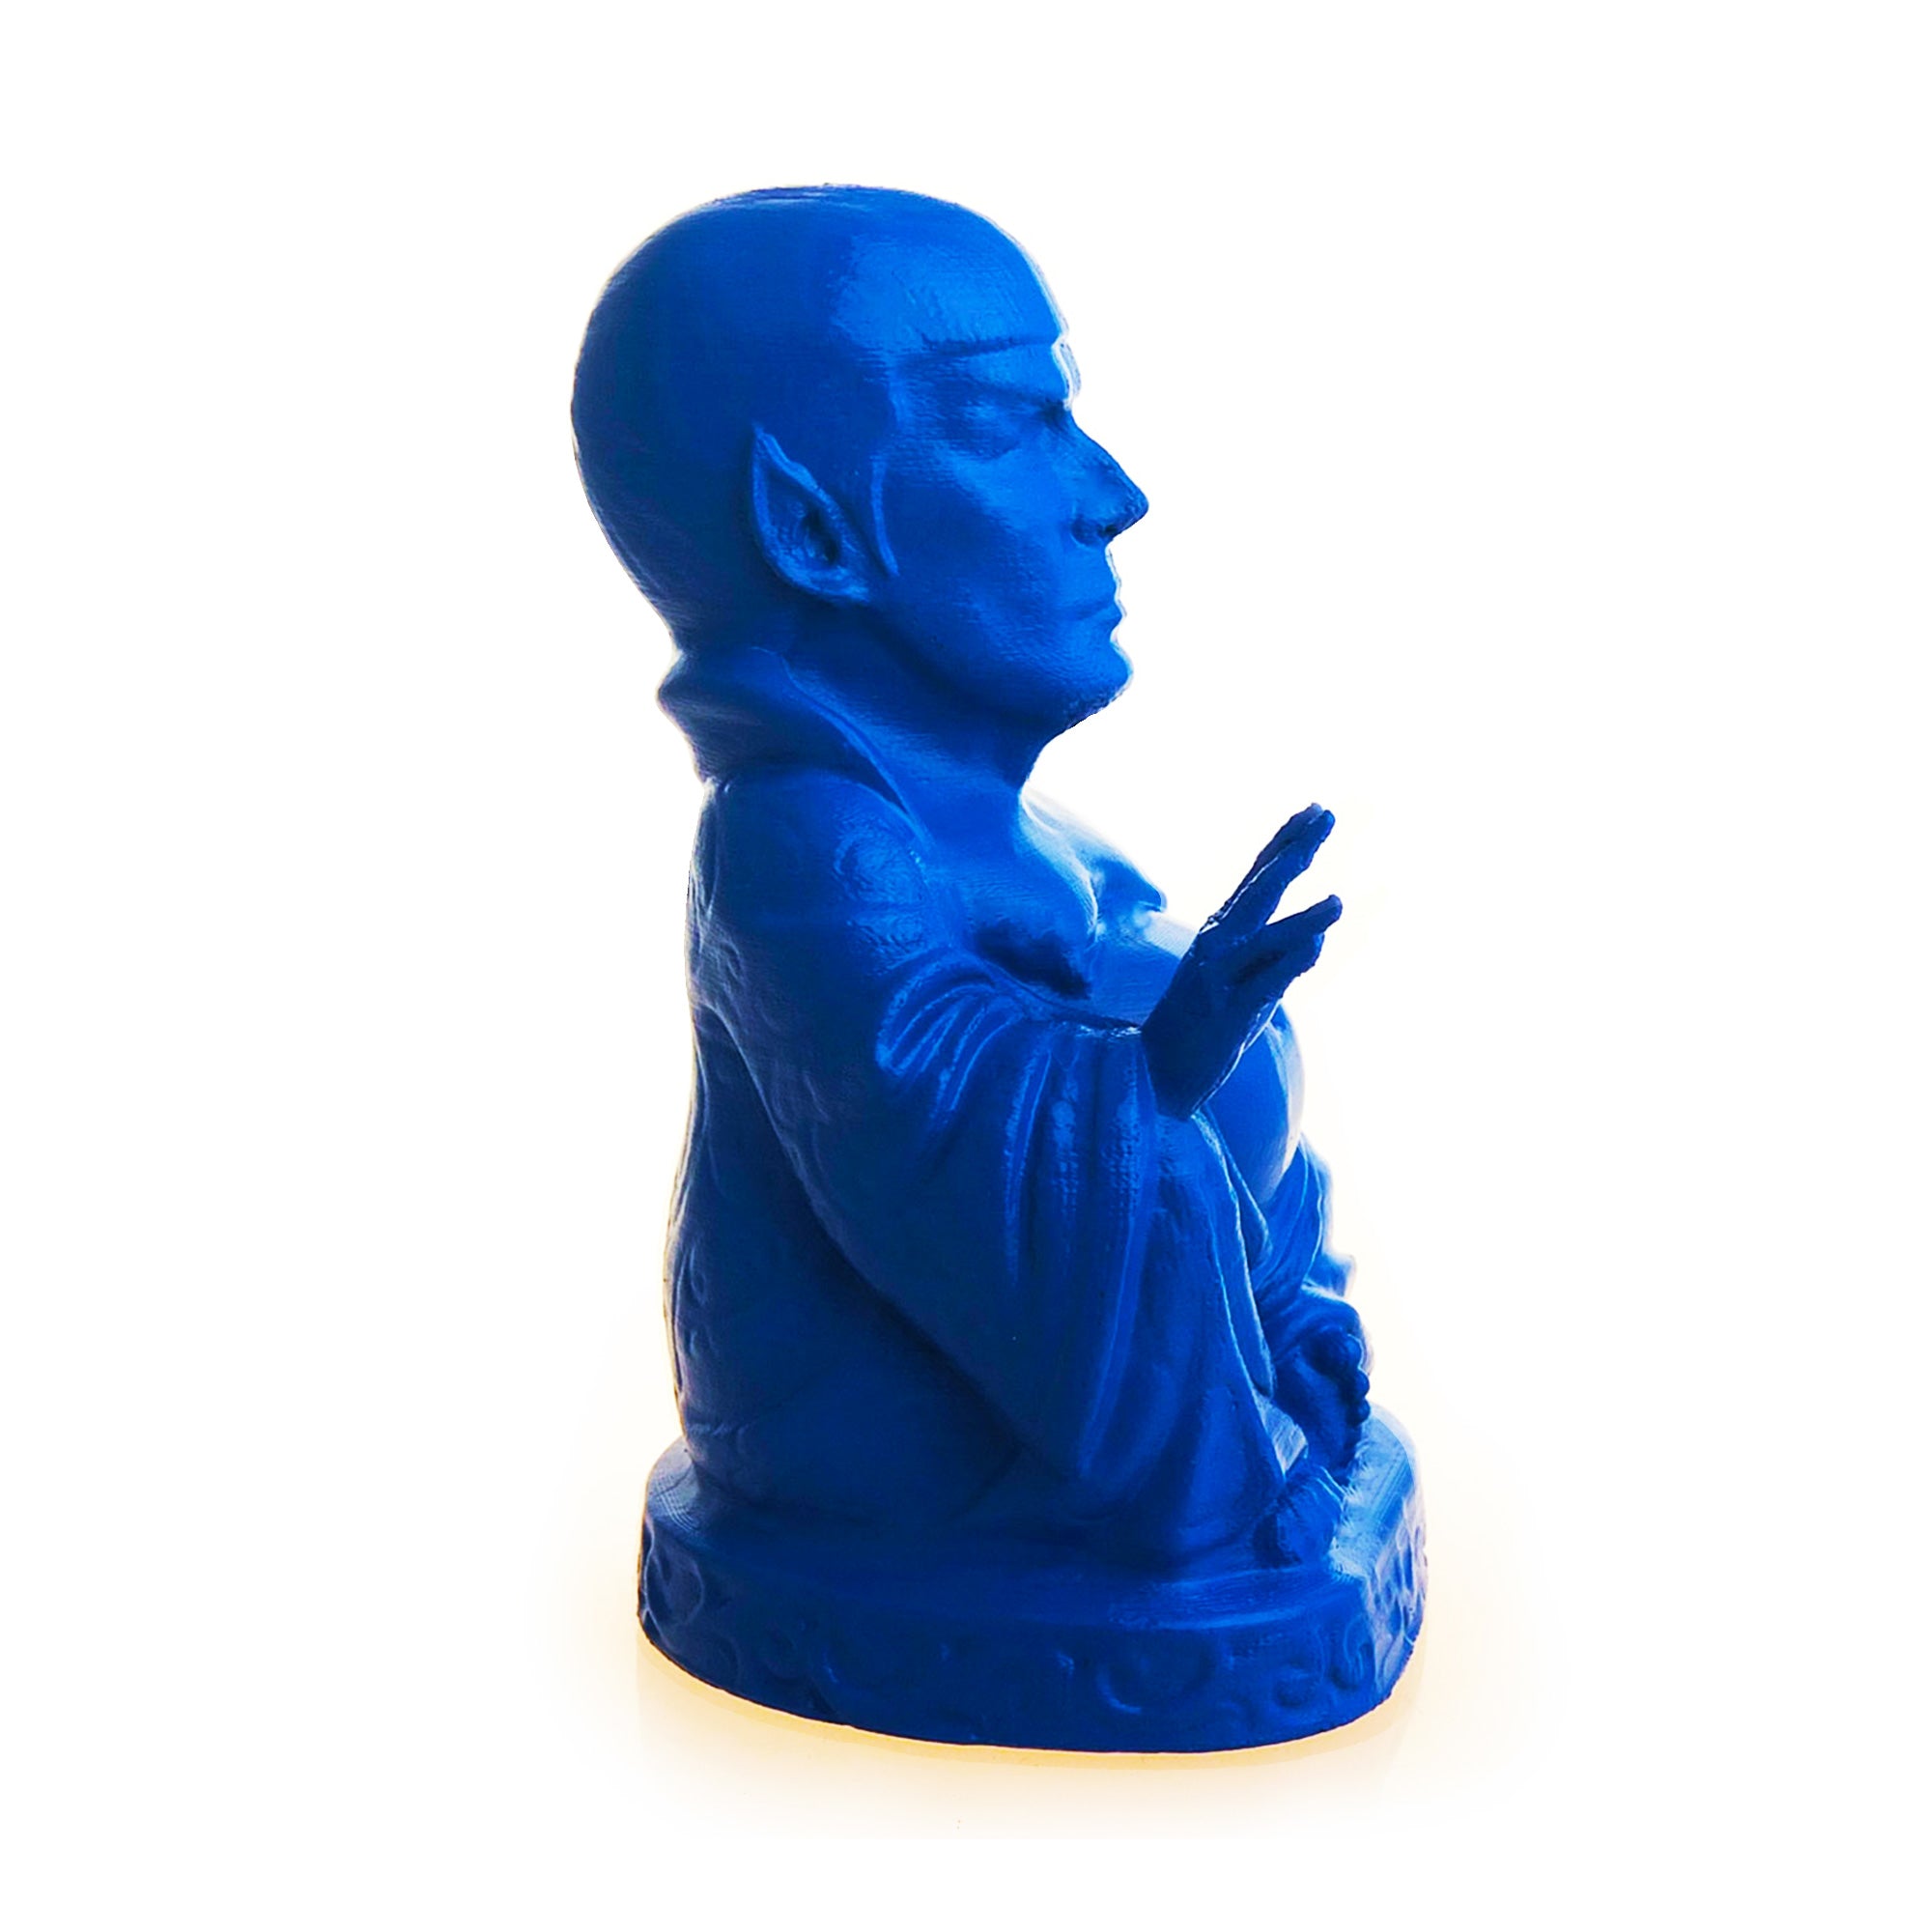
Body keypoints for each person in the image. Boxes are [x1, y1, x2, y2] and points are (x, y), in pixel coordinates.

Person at [573, 187, 1418, 1747]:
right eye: (1016, 427)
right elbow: (941, 1132)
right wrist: (1154, 1072)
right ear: (814, 530)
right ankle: (1188, 1500)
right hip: (881, 1459)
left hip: (1075, 1407)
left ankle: (1248, 1416)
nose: (1113, 495)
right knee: (1146, 1125)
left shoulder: (1036, 838)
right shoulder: (809, 845)